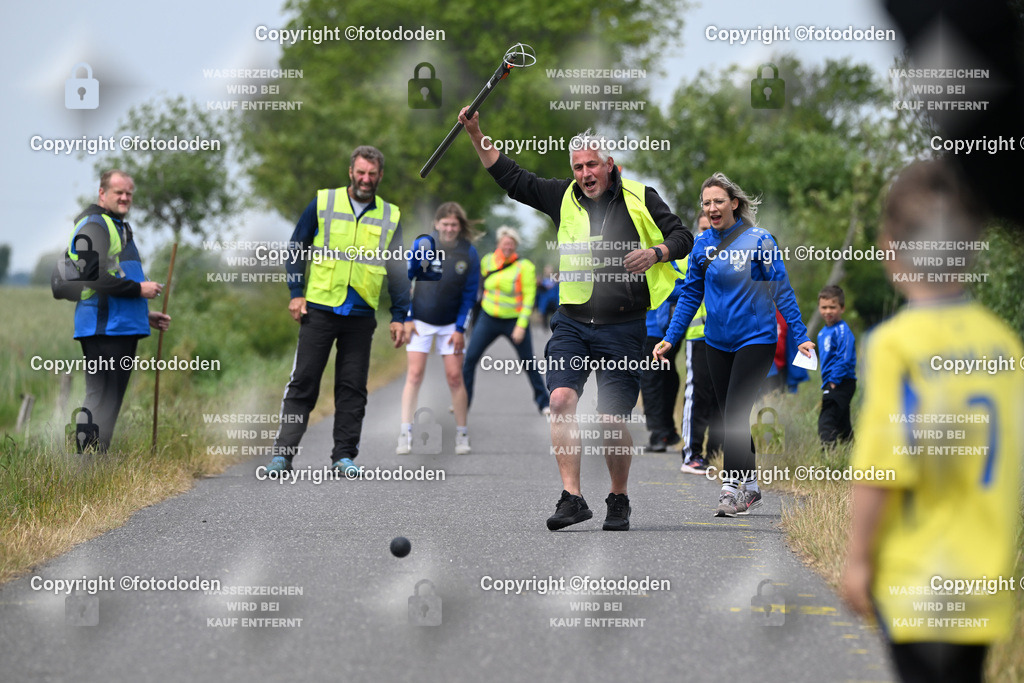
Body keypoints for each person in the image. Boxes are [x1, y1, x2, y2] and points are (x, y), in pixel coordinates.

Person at [460, 108, 693, 531]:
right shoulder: (561, 196)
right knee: (561, 400)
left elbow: (682, 237)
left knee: (609, 419)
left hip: (624, 325)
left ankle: (618, 498)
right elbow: (511, 177)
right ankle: (573, 497)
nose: (585, 173)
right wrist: (477, 134)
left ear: (609, 166)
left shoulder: (642, 196)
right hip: (571, 320)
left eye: (591, 164)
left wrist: (656, 253)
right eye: (578, 167)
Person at [840, 160, 1023, 683]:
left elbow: (884, 467)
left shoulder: (898, 345)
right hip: (984, 579)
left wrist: (857, 558)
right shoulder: (1003, 343)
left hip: (919, 575)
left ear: (889, 247)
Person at [654, 172, 813, 517]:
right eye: (707, 203)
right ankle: (752, 488)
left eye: (719, 201)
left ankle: (730, 487)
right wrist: (671, 336)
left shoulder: (759, 240)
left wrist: (800, 336)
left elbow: (781, 291)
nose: (712, 208)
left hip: (756, 339)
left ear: (734, 204)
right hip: (716, 341)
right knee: (731, 415)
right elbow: (690, 295)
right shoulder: (701, 245)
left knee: (735, 414)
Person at [265, 146, 410, 475]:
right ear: (350, 172)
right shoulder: (324, 202)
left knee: (352, 387)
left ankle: (343, 457)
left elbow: (398, 271)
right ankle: (282, 456)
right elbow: (297, 246)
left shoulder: (390, 215)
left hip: (361, 314)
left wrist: (400, 316)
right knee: (303, 382)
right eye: (360, 172)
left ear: (380, 176)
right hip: (319, 307)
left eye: (372, 174)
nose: (365, 179)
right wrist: (295, 292)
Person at [68, 170, 169, 453]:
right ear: (102, 194)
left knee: (112, 400)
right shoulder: (94, 226)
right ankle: (86, 466)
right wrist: (139, 291)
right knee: (100, 397)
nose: (125, 197)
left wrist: (144, 314)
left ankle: (98, 466)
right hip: (102, 328)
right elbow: (93, 276)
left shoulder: (119, 227)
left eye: (129, 193)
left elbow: (118, 276)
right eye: (118, 192)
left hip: (123, 325)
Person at [397, 202, 480, 455]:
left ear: (460, 226)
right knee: (414, 375)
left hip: (450, 326)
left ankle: (462, 434)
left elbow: (469, 295)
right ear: (436, 224)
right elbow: (404, 281)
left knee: (455, 378)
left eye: (454, 224)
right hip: (420, 320)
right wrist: (407, 317)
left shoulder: (469, 252)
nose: (449, 229)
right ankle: (405, 433)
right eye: (445, 224)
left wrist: (459, 329)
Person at [461, 226, 549, 414]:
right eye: (505, 243)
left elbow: (528, 298)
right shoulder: (487, 261)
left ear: (516, 246)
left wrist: (521, 326)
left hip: (514, 321)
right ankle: (462, 402)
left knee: (528, 363)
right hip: (488, 318)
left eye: (511, 244)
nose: (508, 247)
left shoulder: (524, 267)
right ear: (498, 243)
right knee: (469, 360)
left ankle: (544, 402)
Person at [678, 214, 724, 474]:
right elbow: (678, 289)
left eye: (712, 227)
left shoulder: (732, 252)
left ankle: (715, 454)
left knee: (722, 397)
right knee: (698, 395)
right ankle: (692, 454)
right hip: (698, 337)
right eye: (703, 228)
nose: (707, 232)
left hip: (727, 338)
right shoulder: (691, 254)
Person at [816, 284, 856, 447]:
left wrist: (833, 381)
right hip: (831, 381)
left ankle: (828, 460)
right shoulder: (822, 332)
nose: (828, 311)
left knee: (826, 422)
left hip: (841, 382)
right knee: (842, 425)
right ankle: (851, 452)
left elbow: (844, 357)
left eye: (832, 307)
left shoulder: (842, 331)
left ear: (842, 308)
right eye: (824, 307)